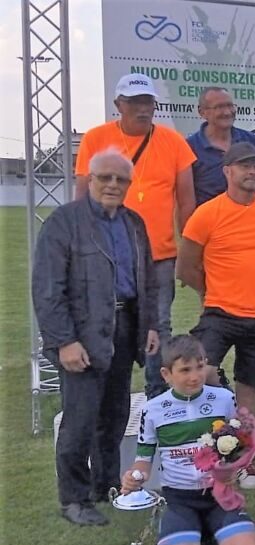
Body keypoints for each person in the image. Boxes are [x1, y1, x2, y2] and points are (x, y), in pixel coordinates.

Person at [34, 149, 160, 526]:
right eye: (105, 177)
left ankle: (105, 484)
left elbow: (147, 281)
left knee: (115, 414)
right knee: (80, 419)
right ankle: (73, 498)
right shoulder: (63, 222)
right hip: (81, 334)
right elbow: (47, 289)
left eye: (120, 180)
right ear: (90, 179)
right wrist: (63, 341)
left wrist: (149, 325)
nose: (112, 185)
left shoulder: (134, 223)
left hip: (124, 331)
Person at [73, 73, 196, 399]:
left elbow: (186, 201)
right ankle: (107, 391)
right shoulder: (96, 138)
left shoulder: (173, 142)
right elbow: (81, 196)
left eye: (148, 102)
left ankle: (158, 397)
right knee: (106, 321)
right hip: (106, 253)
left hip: (158, 253)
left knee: (159, 324)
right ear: (119, 105)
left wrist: (189, 250)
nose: (143, 109)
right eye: (135, 102)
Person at [177, 142, 255, 488]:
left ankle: (243, 459)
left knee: (249, 391)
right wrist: (210, 294)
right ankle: (209, 442)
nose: (252, 172)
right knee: (204, 372)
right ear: (227, 171)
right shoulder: (207, 213)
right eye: (244, 166)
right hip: (219, 313)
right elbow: (185, 266)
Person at [121, 335, 255, 545]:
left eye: (200, 367)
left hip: (220, 498)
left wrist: (233, 469)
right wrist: (134, 476)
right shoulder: (152, 409)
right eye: (185, 370)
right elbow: (144, 459)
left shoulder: (224, 398)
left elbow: (239, 444)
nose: (195, 376)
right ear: (166, 374)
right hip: (179, 501)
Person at [186, 86, 255, 206]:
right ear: (202, 112)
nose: (227, 112)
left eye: (230, 105)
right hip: (210, 220)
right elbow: (186, 199)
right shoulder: (190, 147)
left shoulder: (249, 140)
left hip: (246, 217)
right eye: (219, 107)